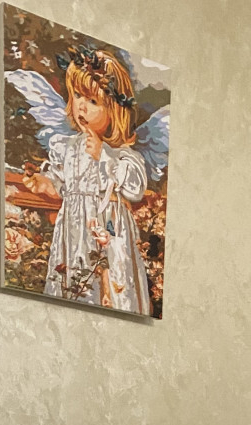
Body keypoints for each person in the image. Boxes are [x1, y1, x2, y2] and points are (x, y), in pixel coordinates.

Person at [23, 48, 151, 314]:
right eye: (78, 95)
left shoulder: (121, 153)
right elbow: (63, 186)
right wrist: (42, 183)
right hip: (73, 233)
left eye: (93, 101)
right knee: (73, 287)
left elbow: (135, 188)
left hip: (107, 234)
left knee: (110, 289)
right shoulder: (69, 148)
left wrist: (104, 155)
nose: (81, 106)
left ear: (114, 109)